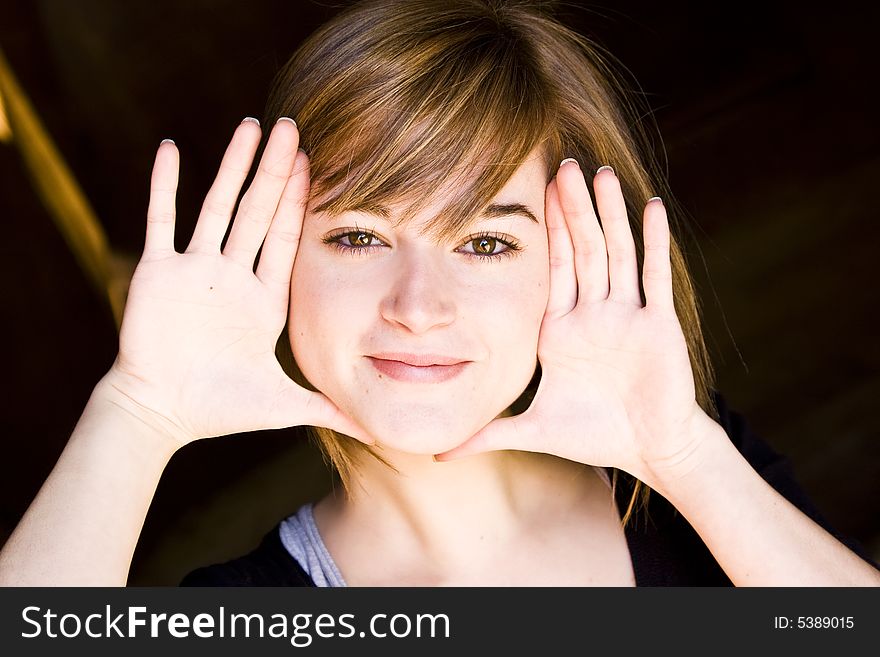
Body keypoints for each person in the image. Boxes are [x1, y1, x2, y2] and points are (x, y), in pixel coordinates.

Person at [1, 0, 878, 587]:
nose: (418, 304)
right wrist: (138, 411)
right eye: (358, 236)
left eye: (487, 241)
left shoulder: (699, 484)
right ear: (278, 259)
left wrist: (691, 458)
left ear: (567, 261)